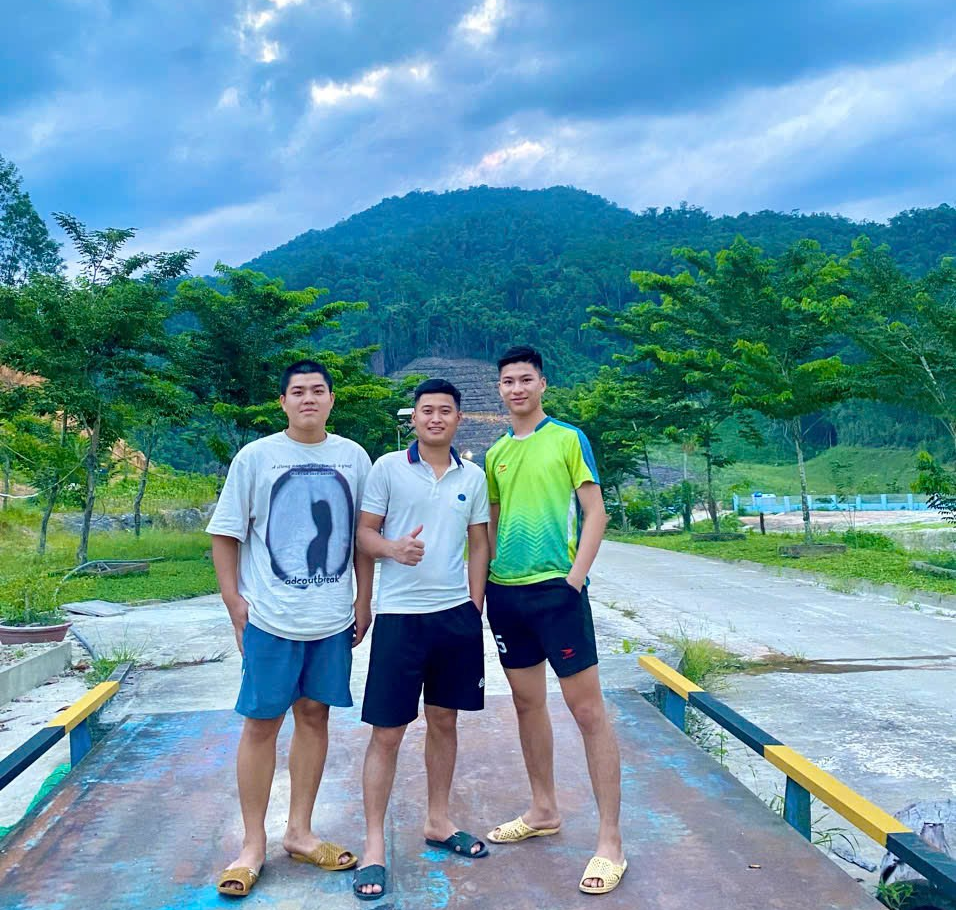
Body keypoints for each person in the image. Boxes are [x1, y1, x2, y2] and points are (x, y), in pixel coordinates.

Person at [207, 359, 374, 898]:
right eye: (298, 391)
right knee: (261, 723)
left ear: (331, 400)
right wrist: (234, 602)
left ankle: (299, 831)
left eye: (318, 390)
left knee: (315, 716)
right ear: (282, 402)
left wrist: (364, 599)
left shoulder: (353, 457)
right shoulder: (256, 457)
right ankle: (252, 845)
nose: (308, 399)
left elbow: (363, 536)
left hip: (331, 618)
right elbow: (226, 534)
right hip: (271, 617)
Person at [483, 345, 627, 896]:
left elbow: (596, 512)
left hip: (557, 593)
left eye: (525, 379)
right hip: (507, 595)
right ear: (499, 389)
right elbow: (491, 524)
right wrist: (486, 586)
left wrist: (575, 579)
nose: (516, 389)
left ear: (542, 384)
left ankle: (610, 841)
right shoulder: (496, 454)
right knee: (527, 704)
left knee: (587, 711)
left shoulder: (568, 439)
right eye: (508, 381)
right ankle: (543, 809)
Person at [352, 378, 490, 901]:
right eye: (426, 410)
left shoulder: (472, 476)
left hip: (454, 618)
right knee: (387, 732)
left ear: (458, 419)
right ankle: (373, 845)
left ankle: (438, 820)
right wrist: (392, 550)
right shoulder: (387, 468)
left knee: (445, 720)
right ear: (413, 418)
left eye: (445, 411)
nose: (435, 418)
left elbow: (479, 542)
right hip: (400, 618)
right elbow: (364, 534)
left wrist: (473, 604)